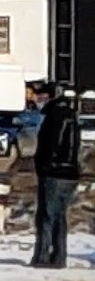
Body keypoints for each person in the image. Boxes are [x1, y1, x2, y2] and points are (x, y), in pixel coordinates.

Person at [30, 81, 82, 269]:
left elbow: (52, 144)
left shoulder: (54, 115)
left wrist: (45, 165)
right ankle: (59, 256)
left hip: (54, 172)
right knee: (59, 215)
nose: (36, 99)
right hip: (70, 172)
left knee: (47, 215)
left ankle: (42, 257)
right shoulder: (71, 114)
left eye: (41, 95)